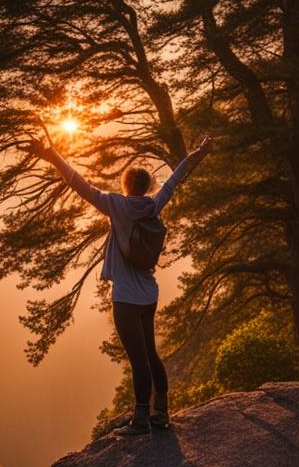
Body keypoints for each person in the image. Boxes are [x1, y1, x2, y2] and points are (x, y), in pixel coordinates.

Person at [21, 134, 214, 436]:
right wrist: (200, 152)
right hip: (149, 293)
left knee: (138, 359)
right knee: (151, 353)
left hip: (125, 297)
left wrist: (52, 156)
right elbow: (177, 177)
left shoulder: (115, 205)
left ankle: (140, 420)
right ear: (148, 186)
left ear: (126, 185)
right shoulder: (154, 205)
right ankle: (161, 413)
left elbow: (78, 182)